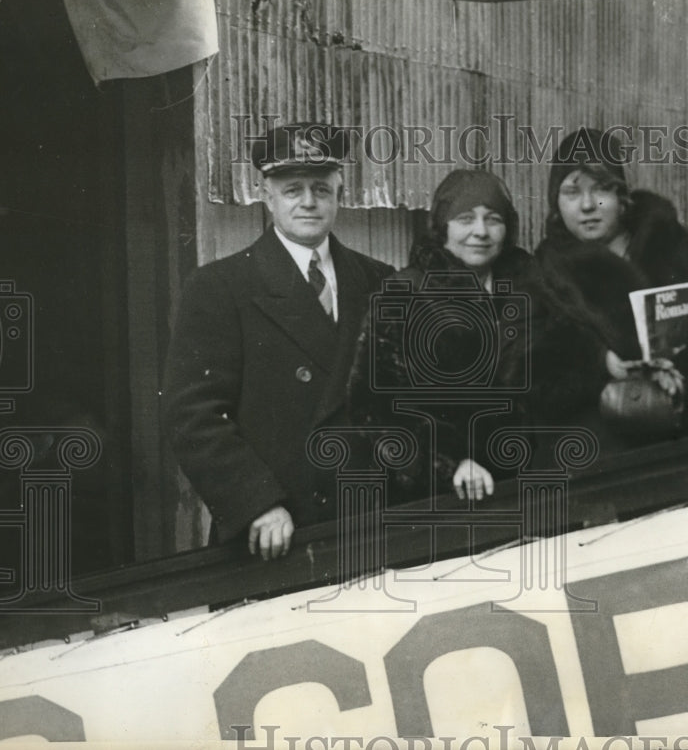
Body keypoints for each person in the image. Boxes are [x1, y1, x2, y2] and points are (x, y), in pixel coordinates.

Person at [162, 122, 394, 560]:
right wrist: (257, 503)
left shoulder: (381, 282)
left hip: (370, 528)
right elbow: (192, 415)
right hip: (276, 535)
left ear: (340, 194)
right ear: (267, 195)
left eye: (321, 189)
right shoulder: (220, 286)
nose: (308, 202)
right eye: (292, 190)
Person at [530, 127, 688, 447]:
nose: (587, 205)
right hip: (598, 456)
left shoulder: (671, 250)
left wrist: (686, 385)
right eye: (572, 192)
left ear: (622, 198)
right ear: (556, 204)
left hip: (684, 444)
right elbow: (530, 367)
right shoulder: (544, 272)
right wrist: (600, 364)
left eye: (601, 190)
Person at [347, 169, 533, 502]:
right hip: (442, 496)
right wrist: (448, 466)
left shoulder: (530, 287)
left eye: (493, 219)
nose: (480, 231)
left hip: (524, 484)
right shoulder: (404, 293)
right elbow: (374, 408)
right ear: (442, 226)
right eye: (465, 218)